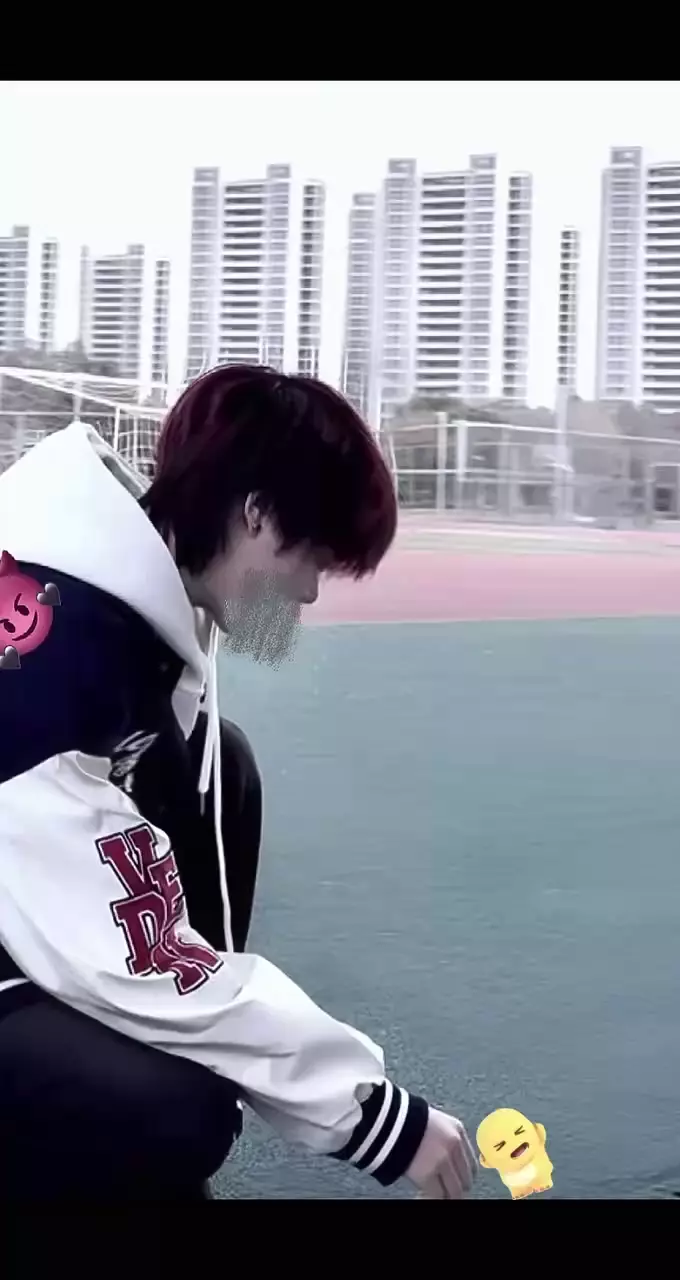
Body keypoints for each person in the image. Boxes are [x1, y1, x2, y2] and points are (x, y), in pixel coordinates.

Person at [0, 364, 476, 1201]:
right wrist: (375, 1116)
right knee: (177, 1109)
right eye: (313, 556)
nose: (311, 590)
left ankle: (193, 1045)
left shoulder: (134, 581)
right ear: (255, 514)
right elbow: (113, 951)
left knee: (225, 763)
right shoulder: (49, 645)